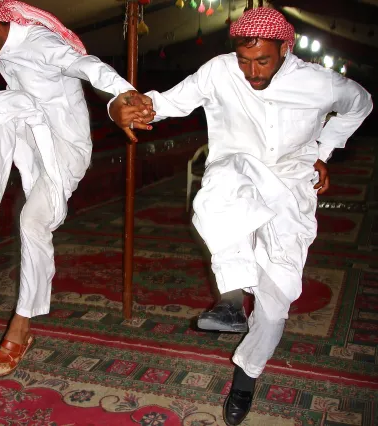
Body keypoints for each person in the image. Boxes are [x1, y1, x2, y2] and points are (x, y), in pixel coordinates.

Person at [109, 7, 372, 425]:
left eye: (263, 60)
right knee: (213, 201)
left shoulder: (320, 82)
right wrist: (123, 109)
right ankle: (231, 301)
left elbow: (361, 103)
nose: (251, 71)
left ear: (286, 48)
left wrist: (324, 151)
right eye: (244, 60)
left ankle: (246, 377)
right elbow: (165, 103)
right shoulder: (219, 71)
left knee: (276, 300)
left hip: (291, 185)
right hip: (236, 170)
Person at [0, 0, 152, 379]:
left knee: (32, 224)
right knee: (0, 104)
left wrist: (124, 95)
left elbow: (86, 65)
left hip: (66, 149)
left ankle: (19, 331)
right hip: (32, 134)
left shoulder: (39, 42)